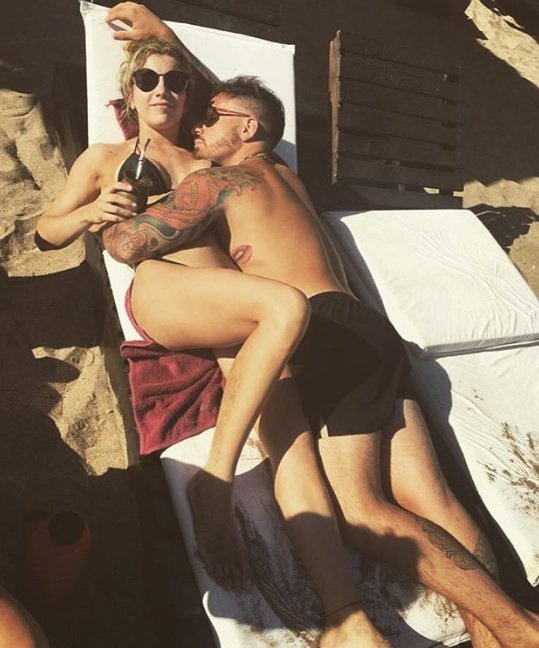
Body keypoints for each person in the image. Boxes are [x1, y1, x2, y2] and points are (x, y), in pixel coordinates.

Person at [97, 12, 539, 644]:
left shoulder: (224, 179)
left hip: (325, 335)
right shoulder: (290, 179)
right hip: (371, 331)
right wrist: (167, 40)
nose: (196, 124)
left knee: (359, 512)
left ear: (246, 129)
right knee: (435, 502)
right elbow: (236, 104)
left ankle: (517, 626)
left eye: (211, 118)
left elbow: (130, 243)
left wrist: (116, 215)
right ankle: (496, 628)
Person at [36, 31, 393, 648]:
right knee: (285, 305)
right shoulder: (103, 157)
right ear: (129, 91)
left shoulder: (215, 161)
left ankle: (346, 615)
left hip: (235, 305)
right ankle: (214, 484)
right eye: (147, 79)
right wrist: (93, 214)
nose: (163, 90)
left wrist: (166, 39)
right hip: (169, 290)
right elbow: (45, 232)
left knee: (292, 442)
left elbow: (245, 108)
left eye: (176, 82)